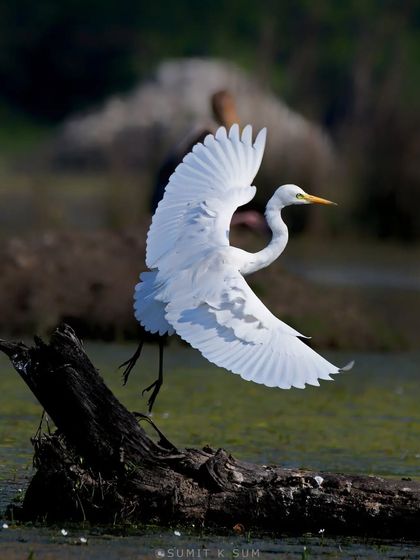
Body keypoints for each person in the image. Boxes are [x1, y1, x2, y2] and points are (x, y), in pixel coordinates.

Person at [150, 90, 267, 234]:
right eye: (227, 108)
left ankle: (239, 219)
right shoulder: (206, 135)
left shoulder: (209, 132)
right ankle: (241, 219)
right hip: (171, 199)